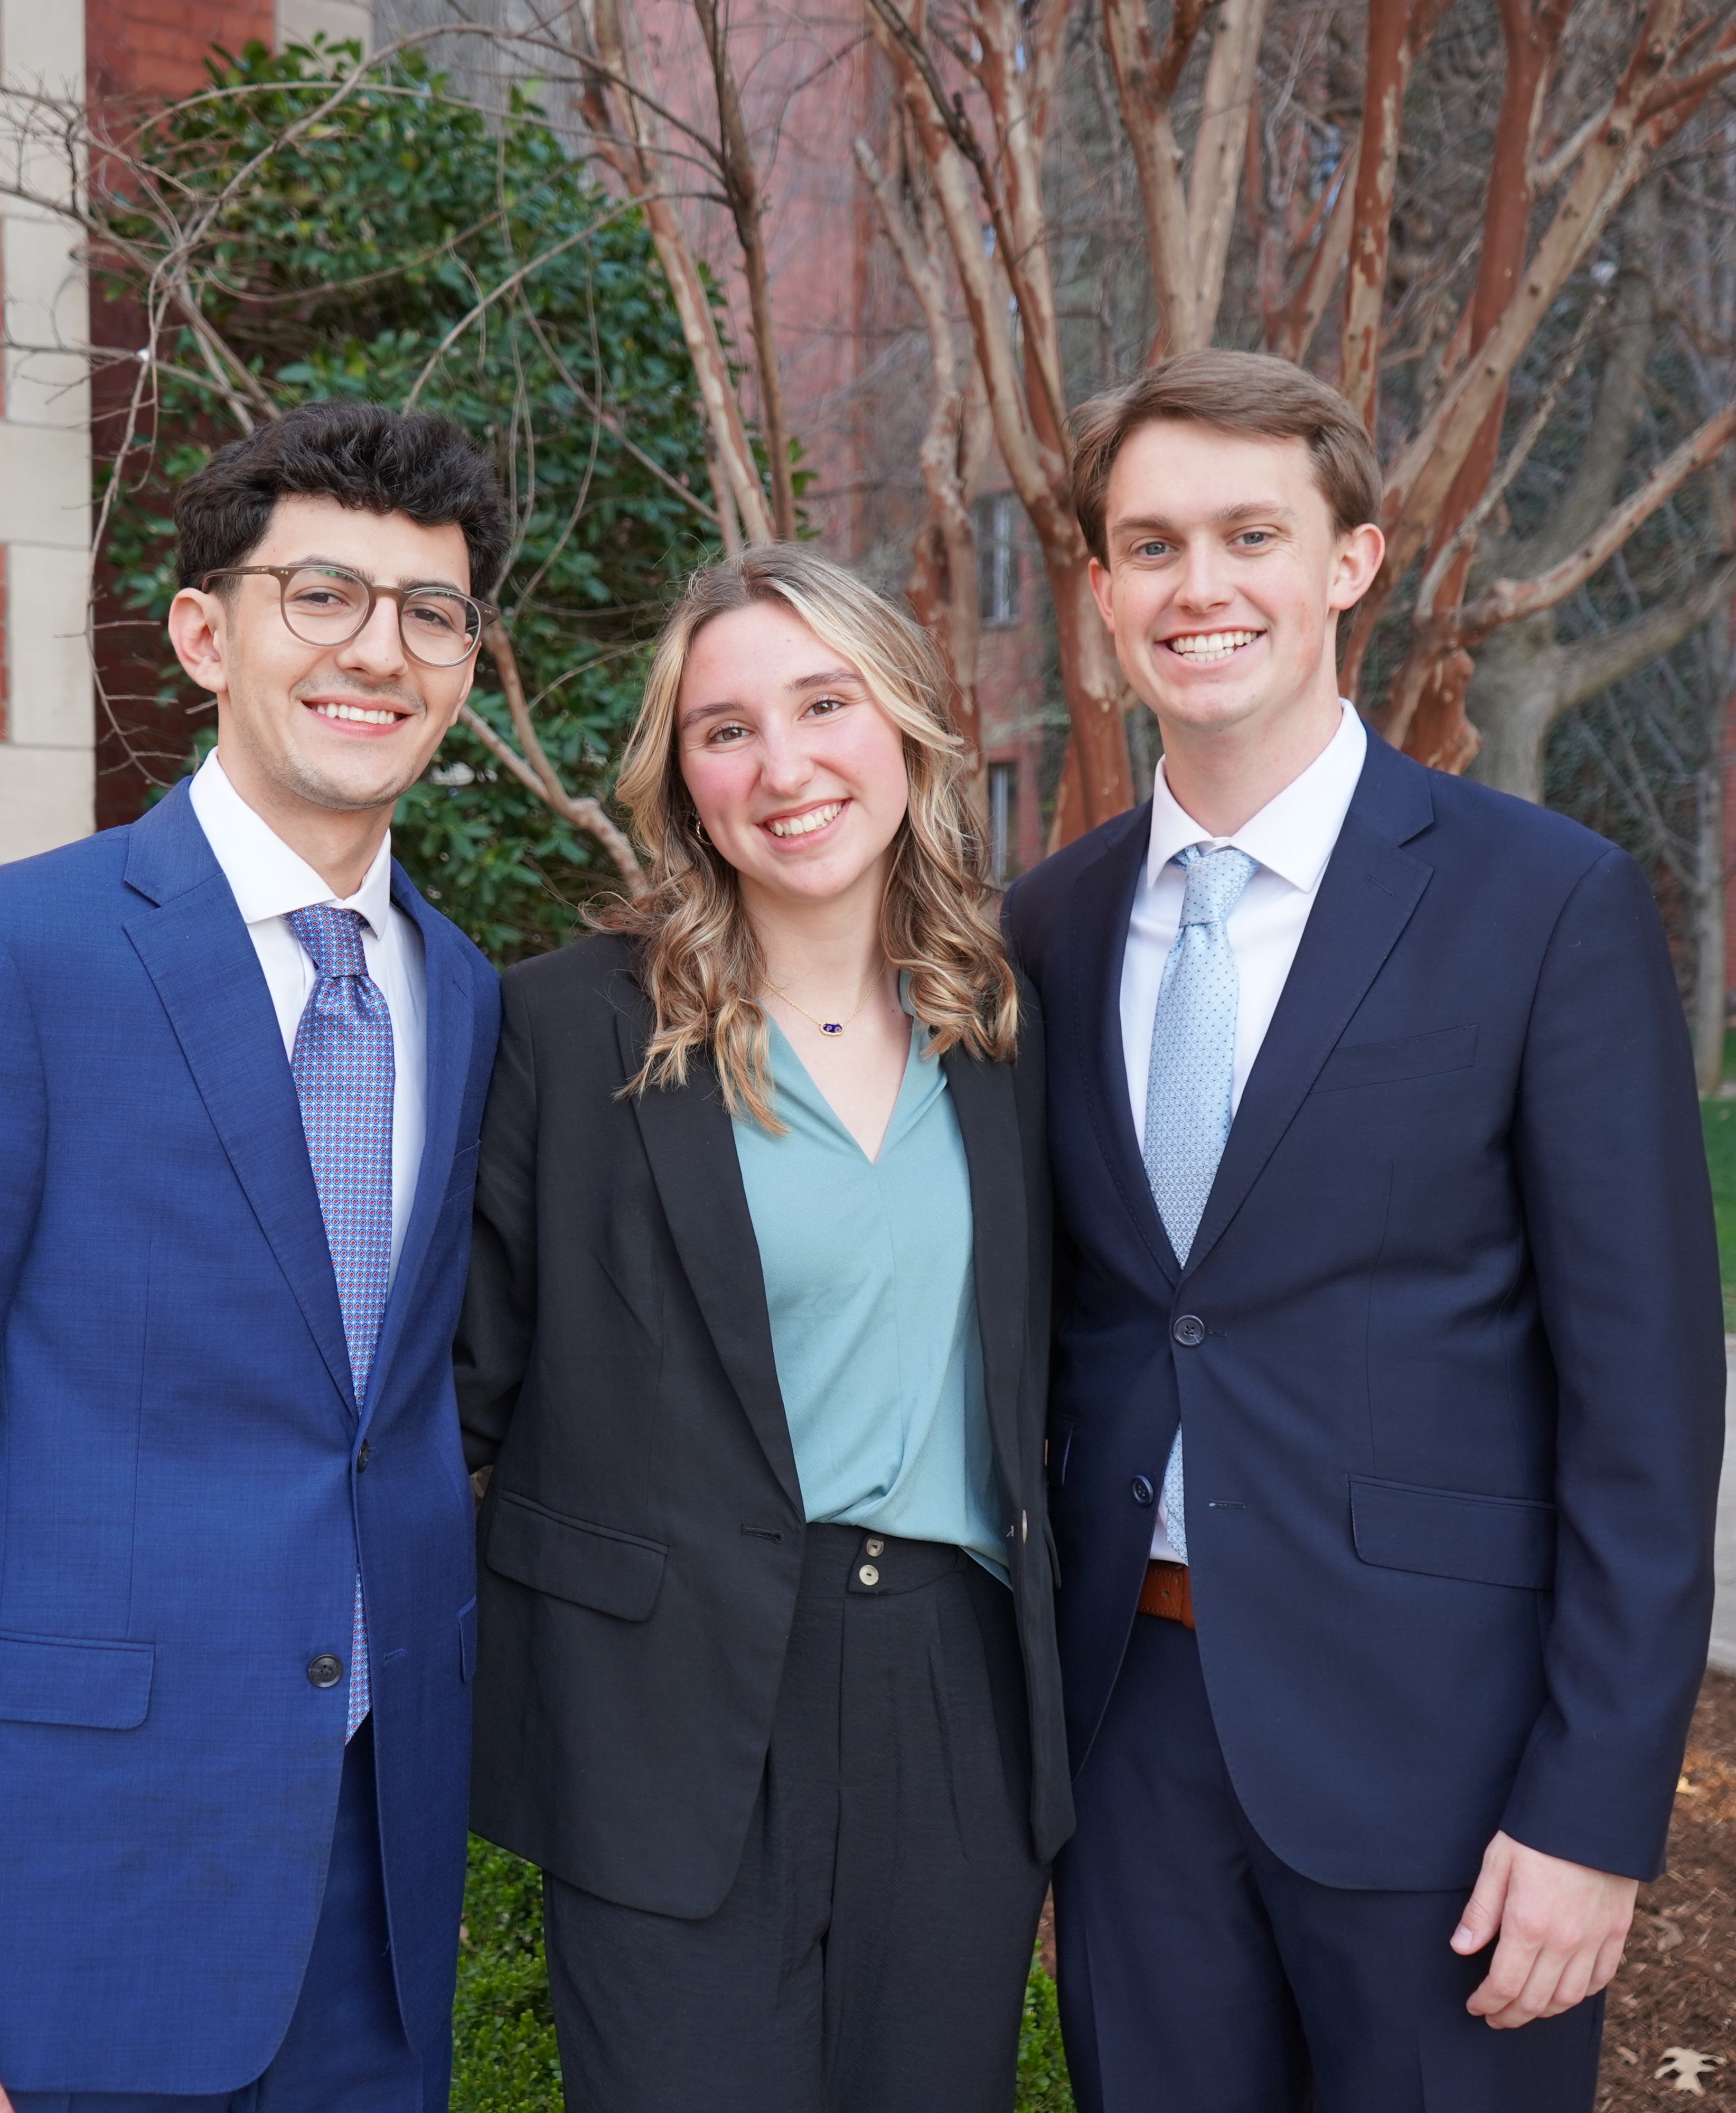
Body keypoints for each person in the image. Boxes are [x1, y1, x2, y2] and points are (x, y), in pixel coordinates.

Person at [0, 401, 510, 2113]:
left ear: (465, 662)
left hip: (378, 1896)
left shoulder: (463, 994)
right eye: (323, 596)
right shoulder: (6, 960)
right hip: (63, 1904)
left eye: (431, 612)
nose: (379, 650)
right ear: (204, 632)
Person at [1002, 348, 1726, 2112]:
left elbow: (1647, 1412)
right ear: (1101, 594)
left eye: (1253, 533)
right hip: (1133, 1739)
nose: (1201, 587)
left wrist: (1592, 1814)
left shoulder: (1543, 902)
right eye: (1151, 546)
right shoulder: (1052, 923)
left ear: (1352, 561)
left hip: (1448, 1758)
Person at [455, 546, 1073, 2113]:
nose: (783, 766)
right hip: (662, 1701)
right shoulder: (565, 1026)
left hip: (953, 1691)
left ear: (909, 734)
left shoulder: (1007, 1022)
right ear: (681, 773)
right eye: (726, 728)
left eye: (825, 704)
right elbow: (464, 1391)